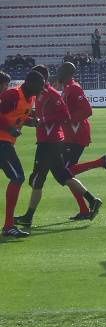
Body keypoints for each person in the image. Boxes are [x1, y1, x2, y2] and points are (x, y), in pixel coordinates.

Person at [14, 66, 103, 227]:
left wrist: (43, 120)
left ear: (42, 79)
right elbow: (42, 113)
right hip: (50, 142)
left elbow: (63, 114)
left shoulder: (51, 94)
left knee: (38, 180)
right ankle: (93, 200)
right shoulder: (40, 94)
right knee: (64, 176)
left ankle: (28, 217)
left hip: (49, 143)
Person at [56, 62, 106, 220]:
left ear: (67, 73)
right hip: (70, 135)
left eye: (61, 71)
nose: (58, 73)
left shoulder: (74, 87)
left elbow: (87, 110)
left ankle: (101, 163)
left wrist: (70, 120)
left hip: (77, 135)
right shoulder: (67, 88)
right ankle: (84, 209)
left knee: (66, 173)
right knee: (68, 175)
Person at [1, 71, 45, 237]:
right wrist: (10, 129)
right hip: (2, 142)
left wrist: (30, 122)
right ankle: (8, 226)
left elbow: (17, 116)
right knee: (17, 177)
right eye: (40, 85)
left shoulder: (30, 97)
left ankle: (8, 225)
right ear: (30, 83)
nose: (41, 89)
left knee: (17, 178)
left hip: (5, 142)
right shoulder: (13, 94)